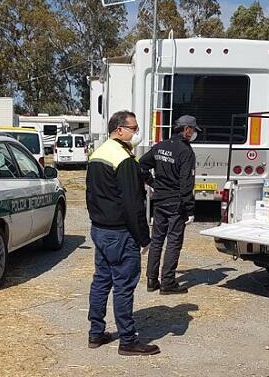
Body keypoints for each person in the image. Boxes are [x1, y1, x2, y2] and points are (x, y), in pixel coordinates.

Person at [85, 111, 160, 356]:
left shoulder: (98, 154)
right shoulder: (123, 158)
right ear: (120, 130)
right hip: (119, 233)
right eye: (133, 128)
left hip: (100, 229)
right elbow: (132, 204)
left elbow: (91, 195)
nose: (136, 133)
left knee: (101, 282)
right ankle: (127, 340)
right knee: (124, 286)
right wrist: (143, 237)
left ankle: (96, 333)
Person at [139, 115, 199, 295]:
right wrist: (189, 209)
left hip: (160, 200)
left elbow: (141, 164)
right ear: (186, 130)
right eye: (193, 130)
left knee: (157, 239)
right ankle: (168, 282)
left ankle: (151, 280)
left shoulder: (160, 146)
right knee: (173, 241)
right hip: (176, 203)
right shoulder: (186, 151)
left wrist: (153, 182)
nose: (194, 134)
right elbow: (186, 183)